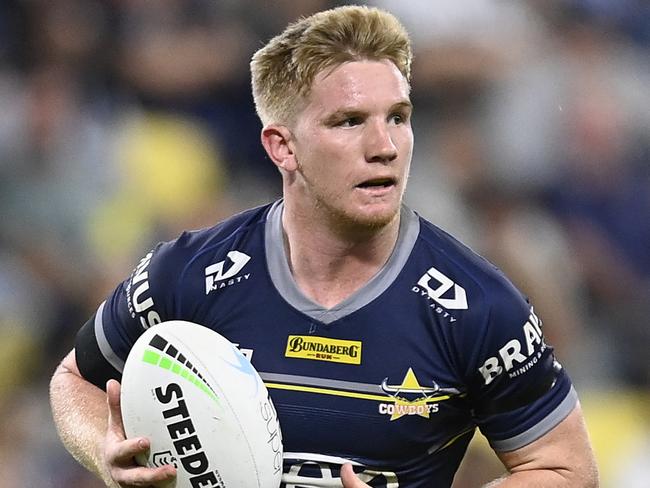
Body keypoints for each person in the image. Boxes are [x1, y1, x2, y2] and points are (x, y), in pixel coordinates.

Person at [49, 5, 599, 487]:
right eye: (349, 121)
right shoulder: (190, 272)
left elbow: (565, 468)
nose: (383, 146)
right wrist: (105, 448)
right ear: (282, 146)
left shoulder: (476, 305)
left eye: (398, 118)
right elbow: (75, 379)